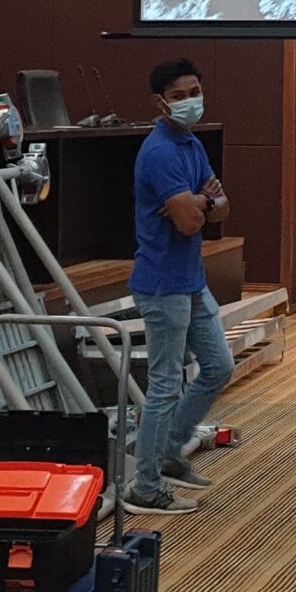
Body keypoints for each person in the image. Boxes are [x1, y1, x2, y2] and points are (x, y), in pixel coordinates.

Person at [125, 58, 236, 516]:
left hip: (191, 280)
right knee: (166, 385)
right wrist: (202, 203)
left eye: (195, 92)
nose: (191, 101)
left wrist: (199, 202)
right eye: (179, 96)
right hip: (161, 284)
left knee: (218, 367)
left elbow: (221, 209)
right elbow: (192, 223)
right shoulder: (160, 153)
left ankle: (169, 451)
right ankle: (145, 487)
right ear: (161, 103)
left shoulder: (192, 144)